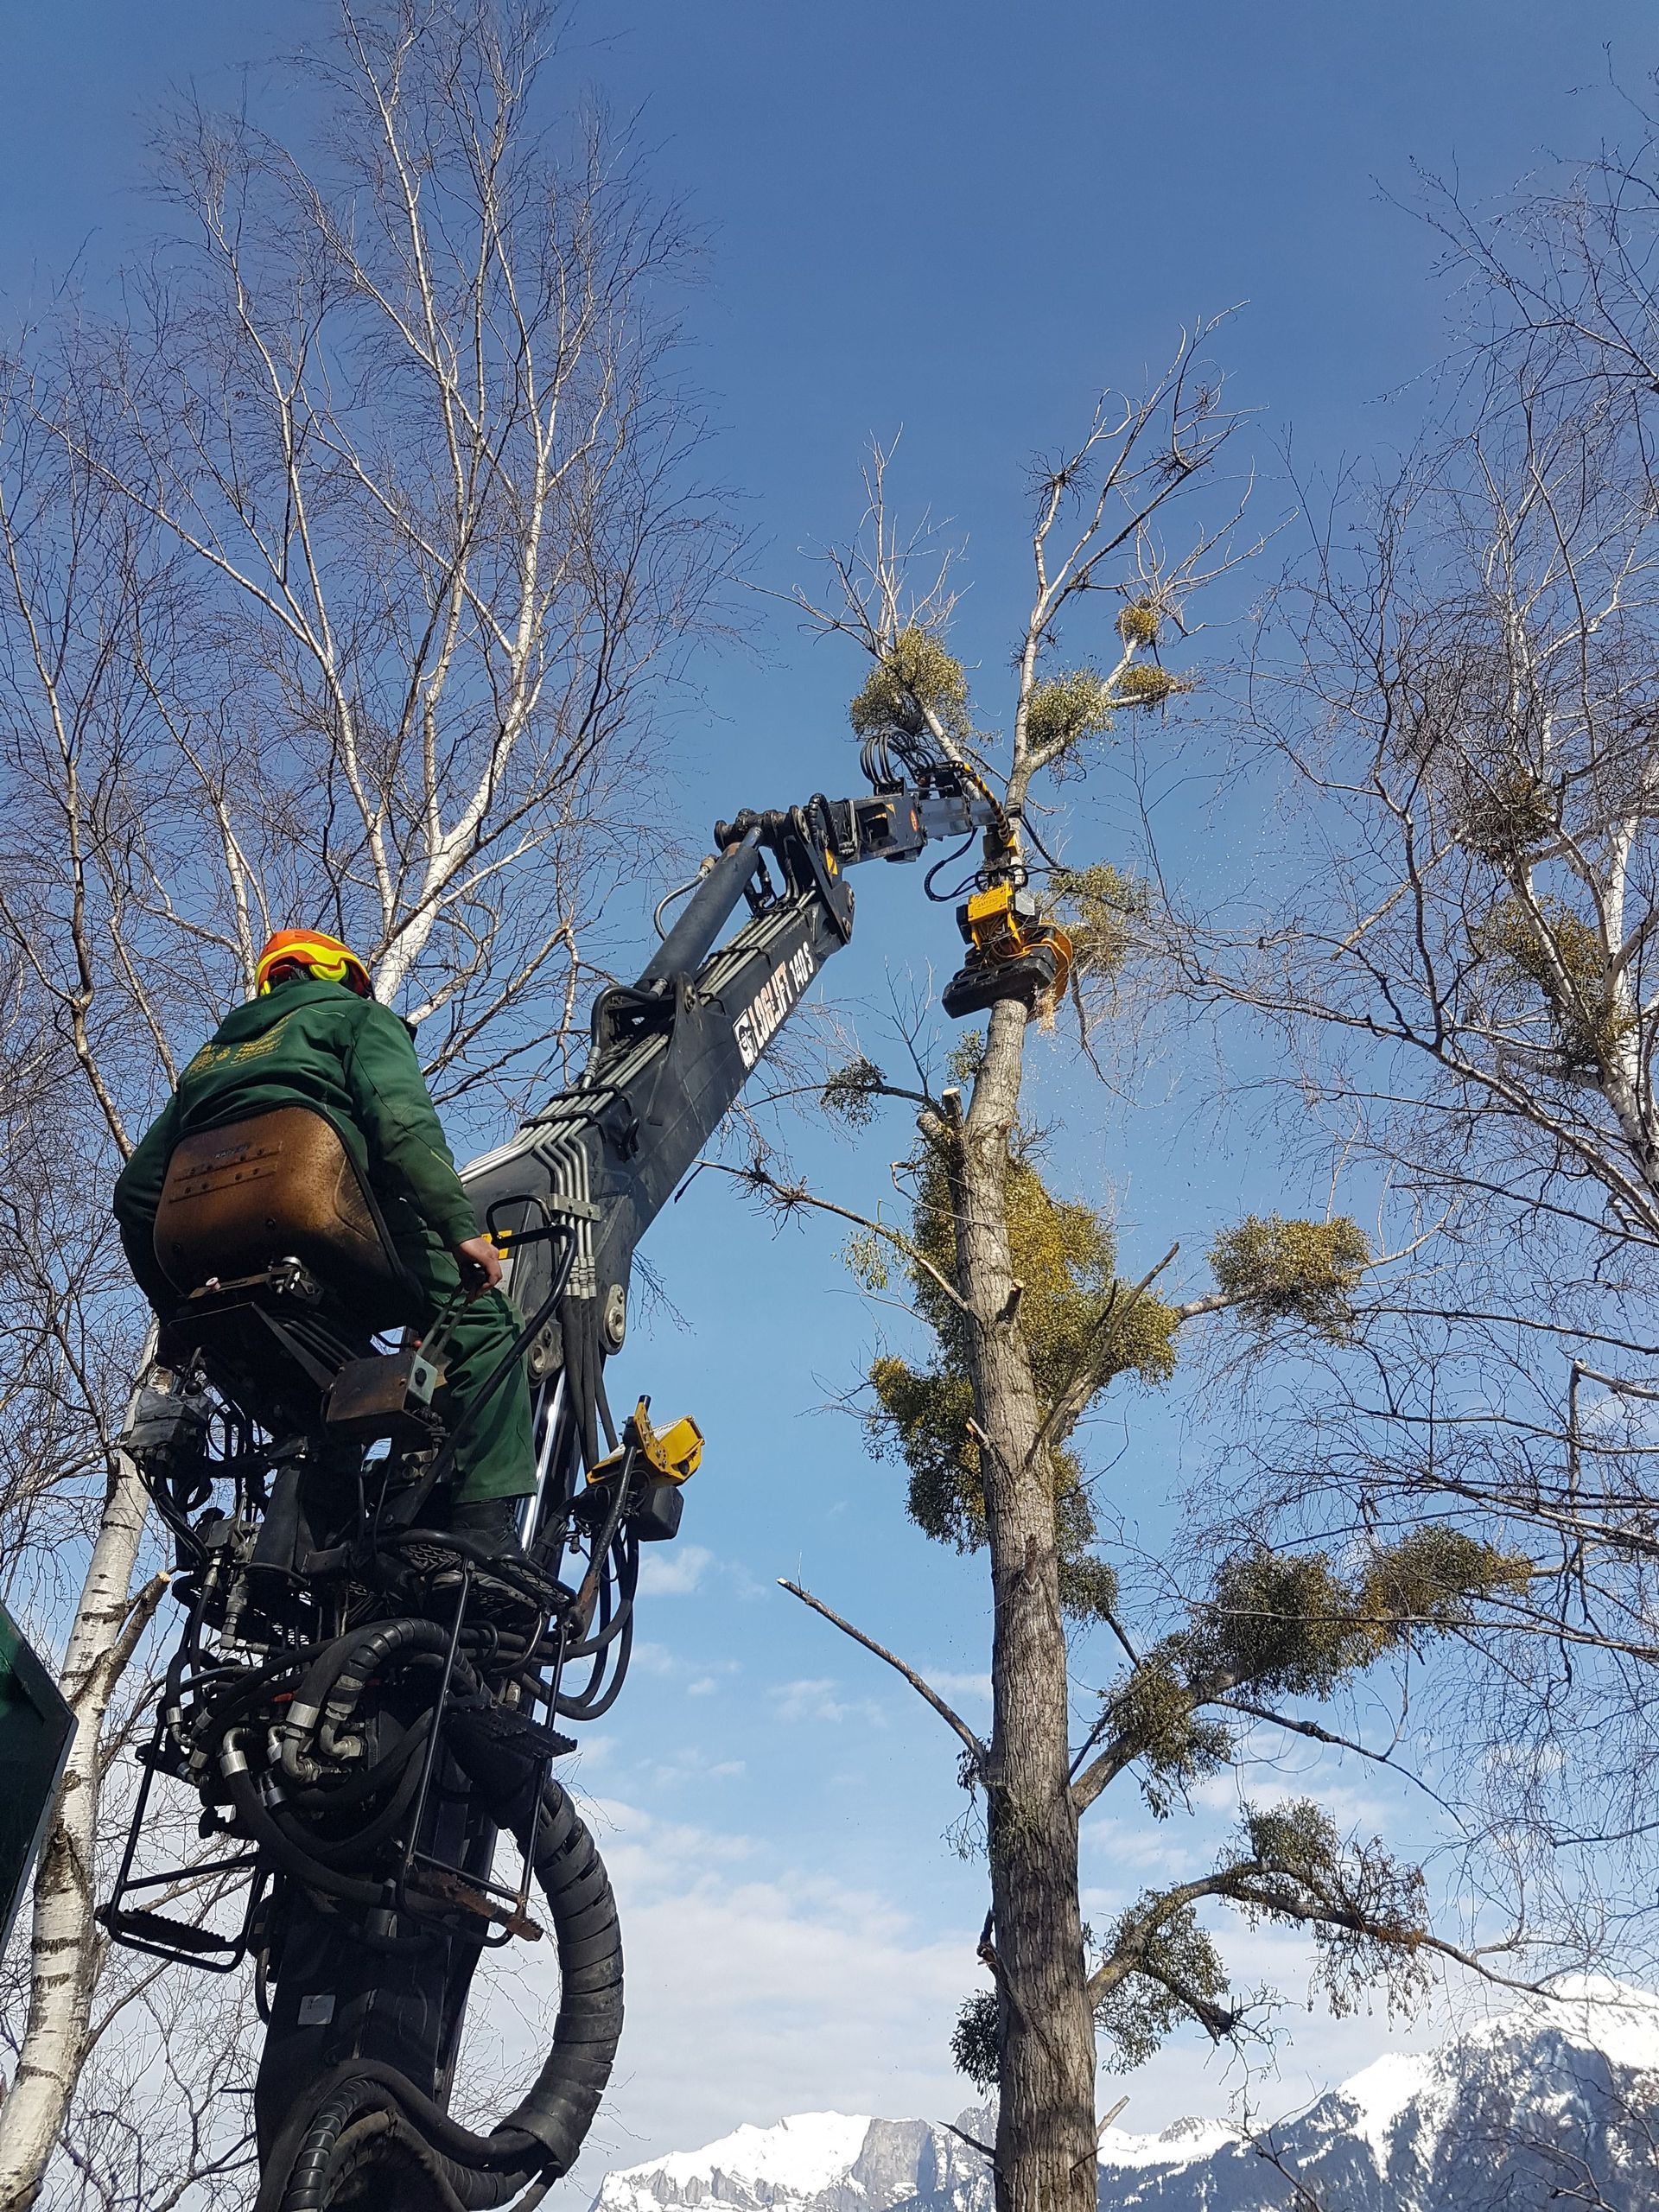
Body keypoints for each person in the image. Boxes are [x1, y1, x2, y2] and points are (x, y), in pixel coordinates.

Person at [111, 927, 533, 1563]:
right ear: (341, 974)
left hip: (212, 1261)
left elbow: (136, 1193)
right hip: (322, 1223)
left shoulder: (207, 1062)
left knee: (327, 1376)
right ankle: (484, 1534)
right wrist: (460, 1230)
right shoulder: (356, 1017)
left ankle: (317, 1527)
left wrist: (174, 1311)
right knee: (489, 1324)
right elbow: (401, 1127)